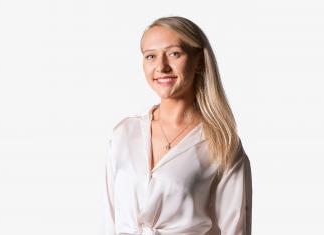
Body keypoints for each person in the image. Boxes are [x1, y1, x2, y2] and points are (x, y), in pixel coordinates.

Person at [102, 16, 252, 235]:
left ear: (199, 60)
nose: (161, 67)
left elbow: (234, 229)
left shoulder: (221, 142)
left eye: (174, 54)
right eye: (150, 56)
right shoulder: (124, 133)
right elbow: (109, 219)